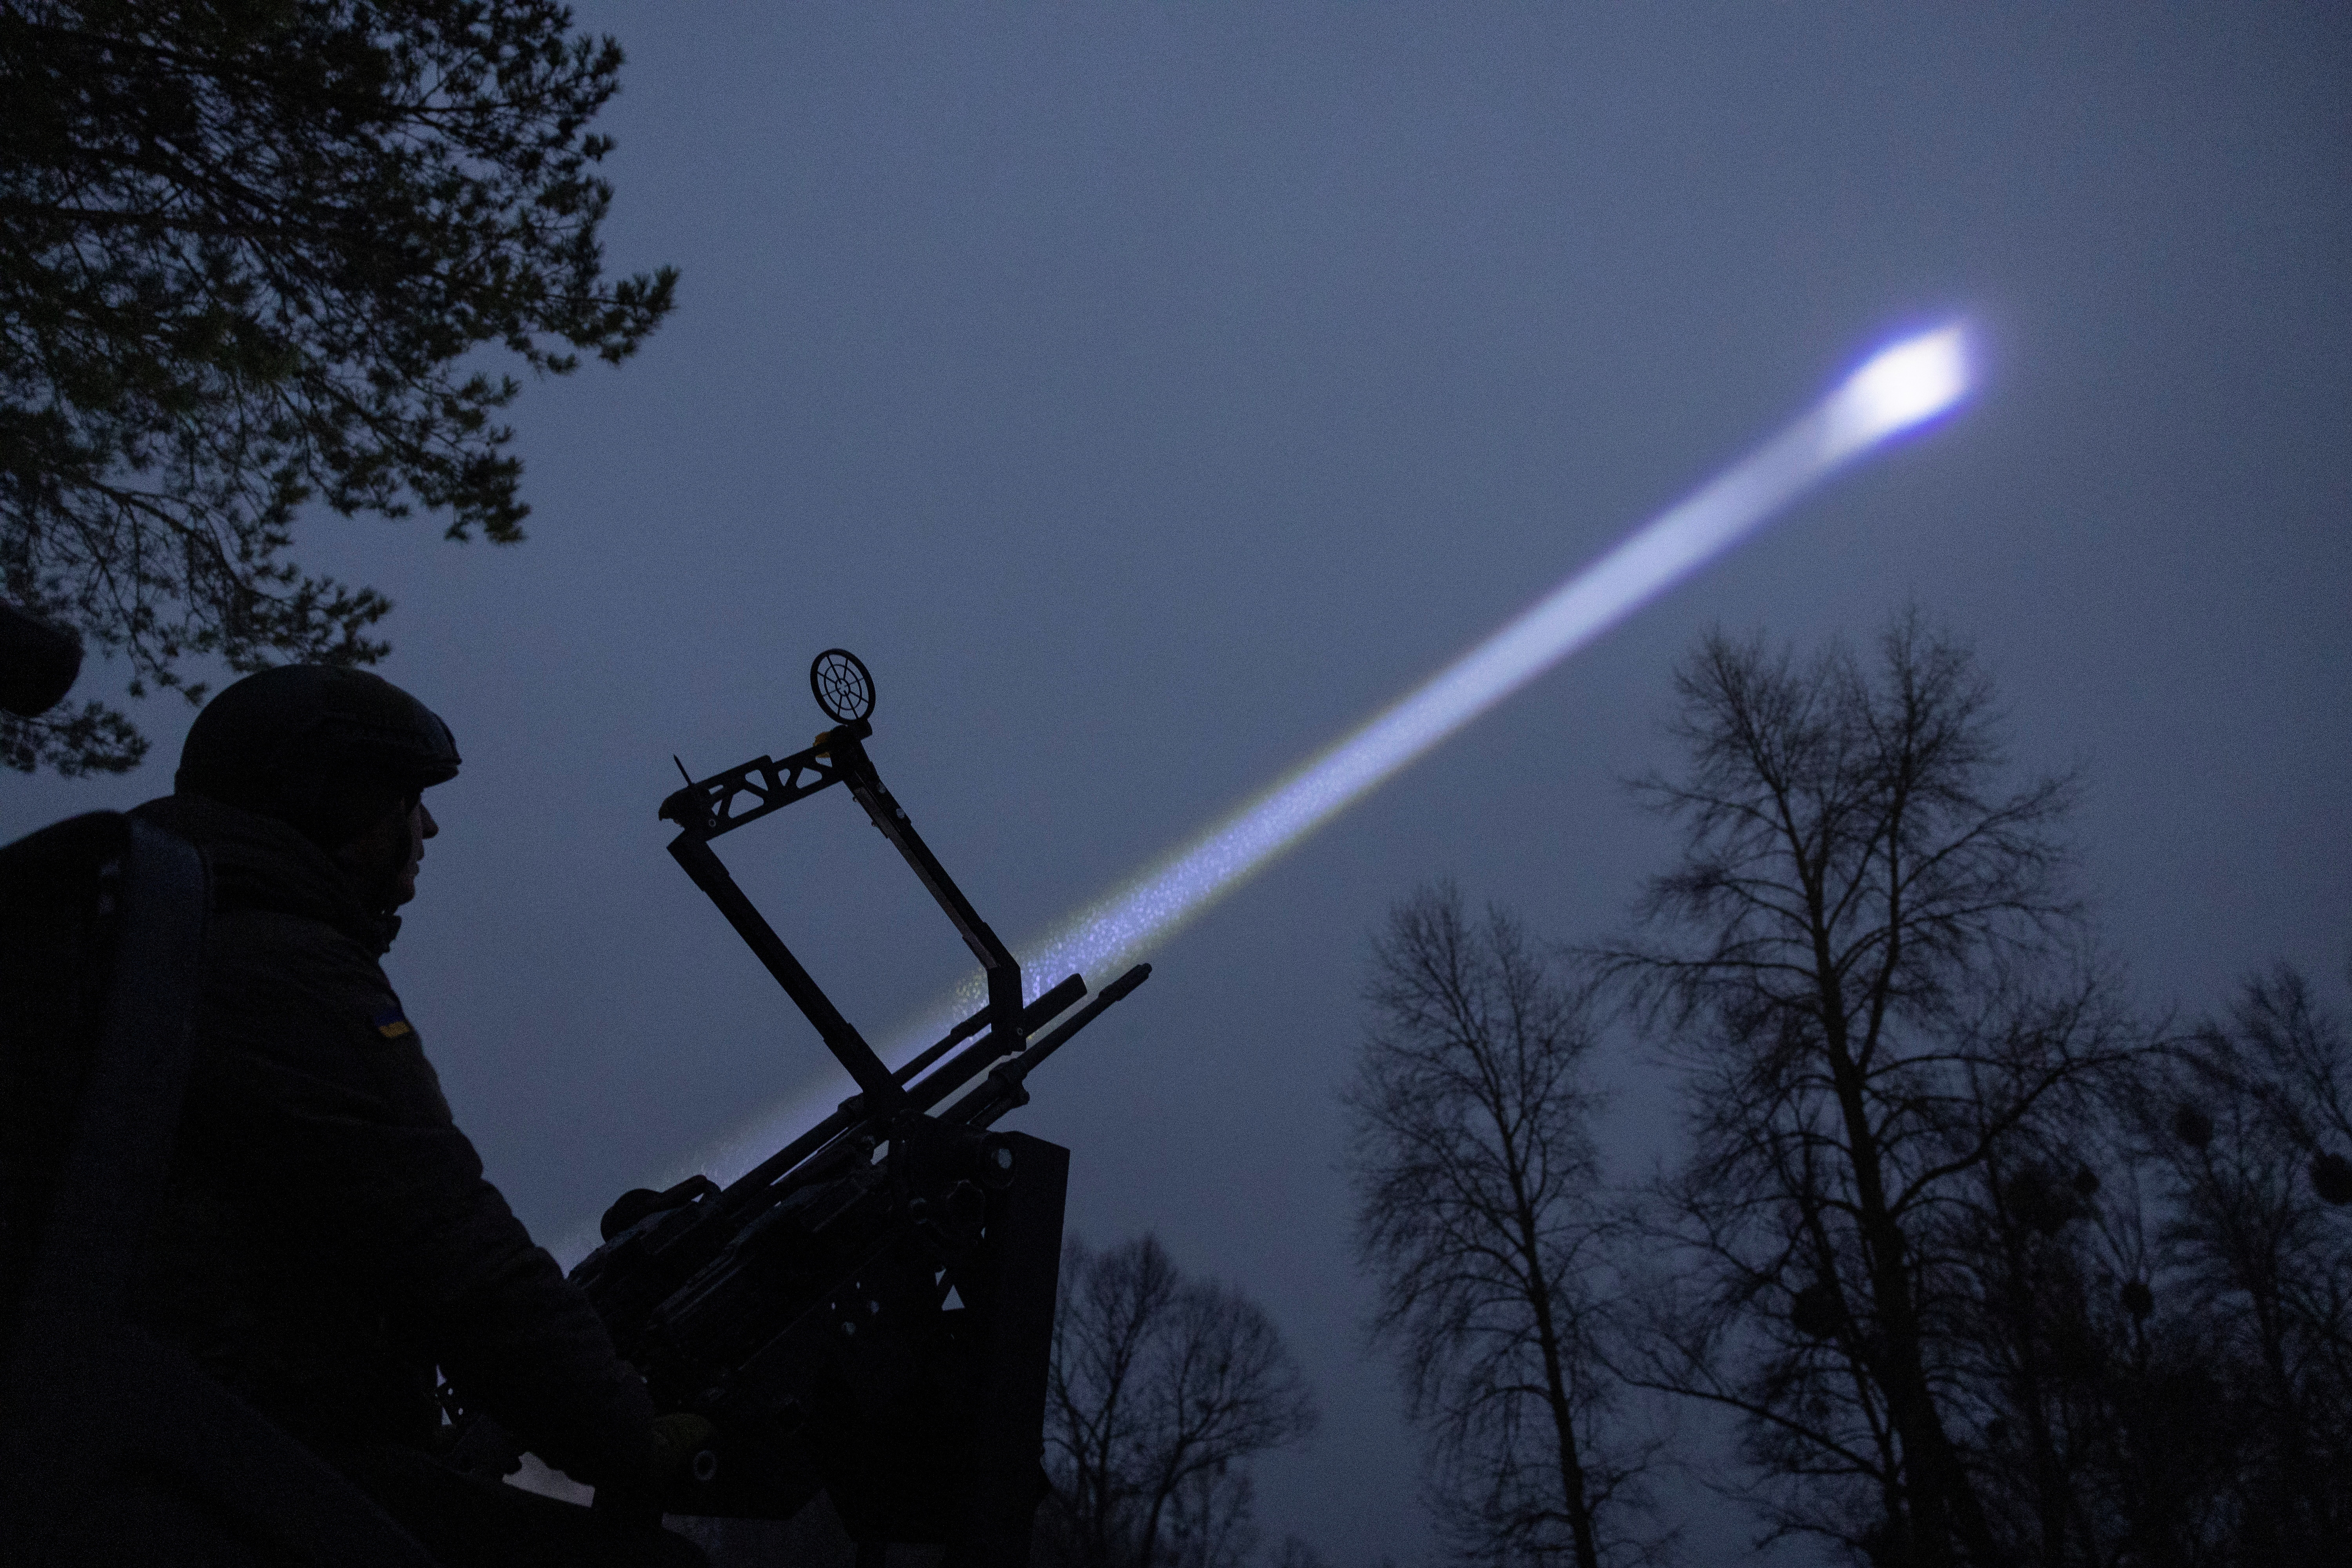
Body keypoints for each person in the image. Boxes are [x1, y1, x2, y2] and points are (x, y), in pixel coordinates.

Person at [127, 665, 706, 1568]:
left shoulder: (173, 936)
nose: (427, 827)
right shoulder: (279, 966)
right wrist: (629, 1435)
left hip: (176, 1450)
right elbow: (450, 1246)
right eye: (409, 799)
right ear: (342, 800)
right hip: (226, 1474)